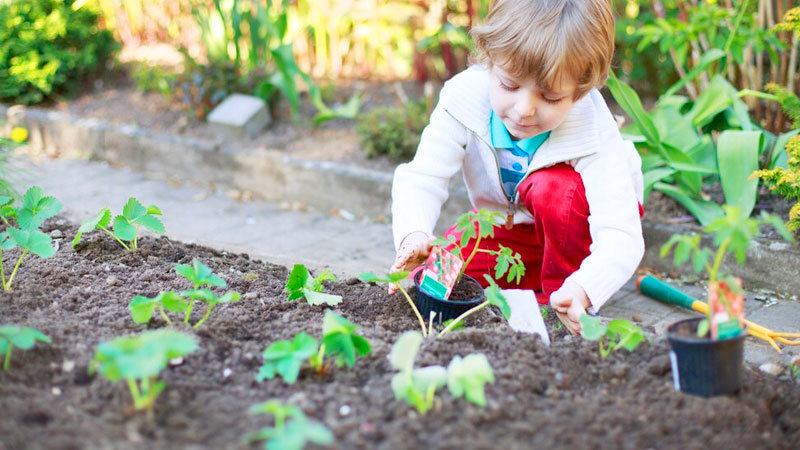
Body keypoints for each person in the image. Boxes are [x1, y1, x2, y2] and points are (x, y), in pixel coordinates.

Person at [387, 0, 644, 334]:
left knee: (553, 188)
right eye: (509, 85)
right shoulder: (463, 99)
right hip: (514, 233)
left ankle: (560, 298)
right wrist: (414, 232)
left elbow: (620, 233)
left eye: (550, 98)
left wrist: (586, 286)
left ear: (580, 90)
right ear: (490, 60)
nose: (525, 110)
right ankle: (532, 285)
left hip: (578, 236)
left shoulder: (591, 126)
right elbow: (422, 176)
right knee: (435, 278)